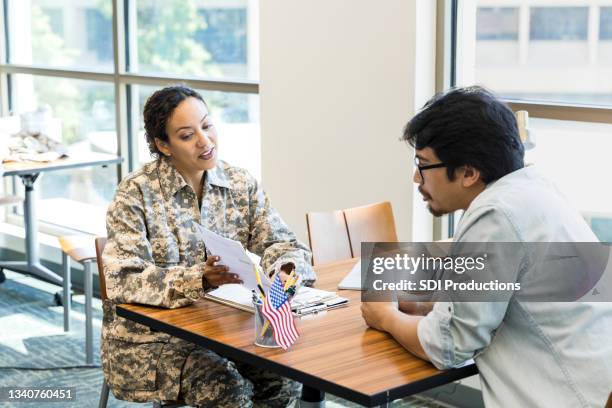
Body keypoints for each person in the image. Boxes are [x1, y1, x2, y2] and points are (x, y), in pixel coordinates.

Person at [361, 86, 612, 407]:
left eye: (423, 165)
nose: (416, 179)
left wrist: (384, 316)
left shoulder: (495, 215)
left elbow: (448, 346)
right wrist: (434, 305)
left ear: (468, 172)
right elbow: (519, 295)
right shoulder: (536, 190)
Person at [101, 85, 316, 407]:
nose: (205, 141)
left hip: (226, 330)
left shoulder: (239, 183)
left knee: (282, 377)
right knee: (226, 390)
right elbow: (123, 278)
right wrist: (199, 278)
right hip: (152, 342)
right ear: (164, 145)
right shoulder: (136, 193)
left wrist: (283, 273)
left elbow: (282, 243)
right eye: (187, 135)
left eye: (207, 125)